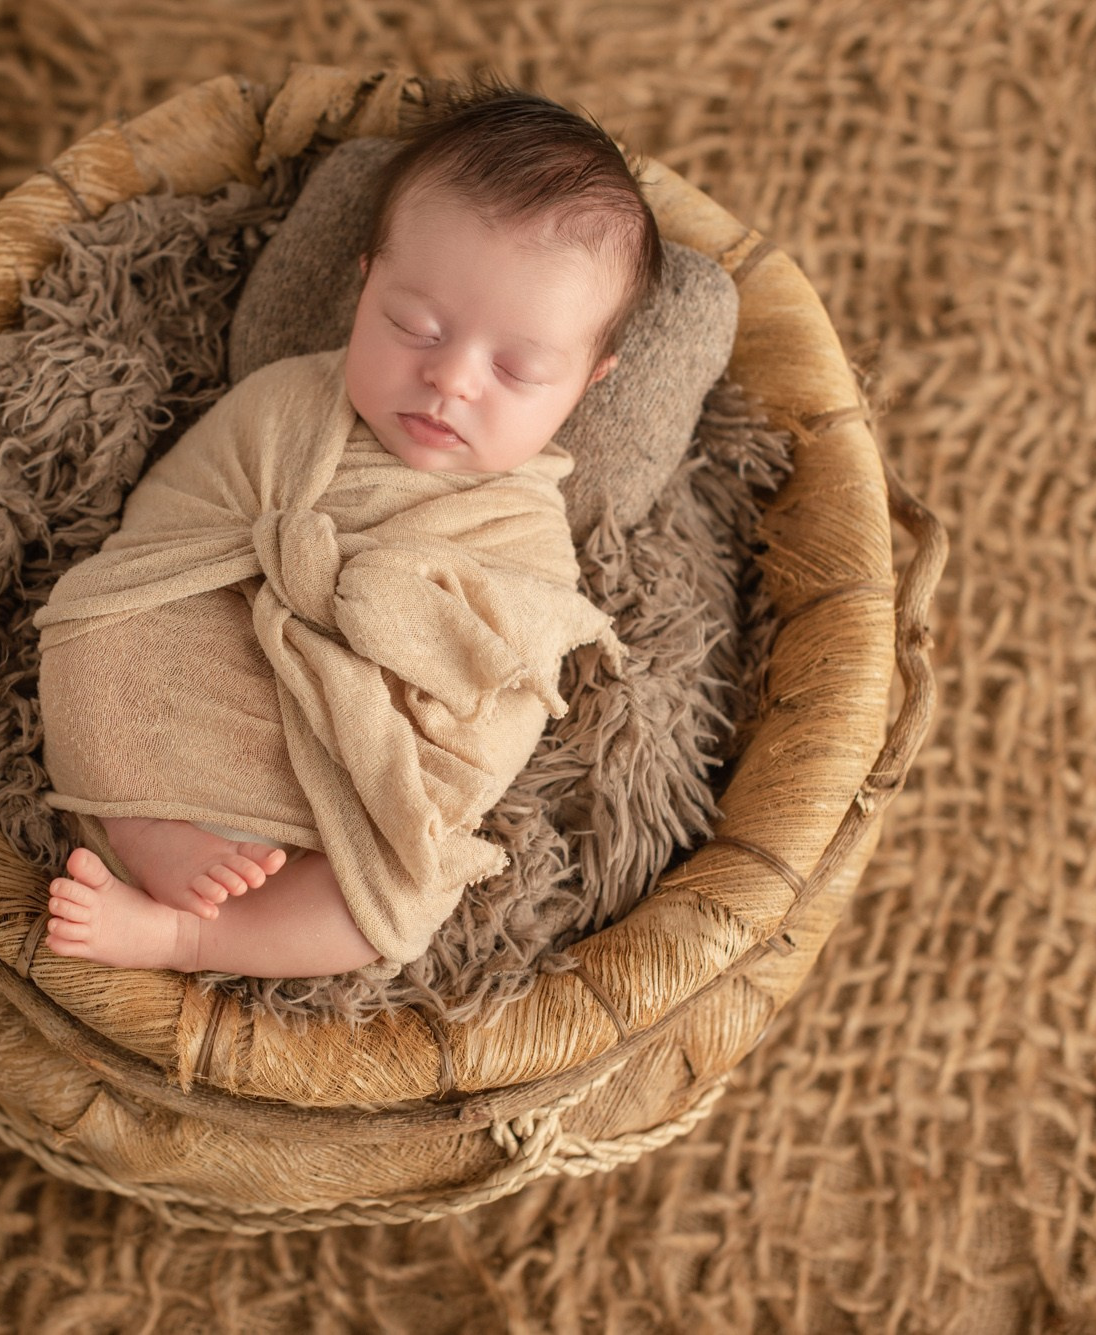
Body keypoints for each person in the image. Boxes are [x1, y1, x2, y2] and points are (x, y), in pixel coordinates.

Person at [33, 76, 664, 978]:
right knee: (91, 634)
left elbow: (506, 687)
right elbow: (169, 525)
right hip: (211, 665)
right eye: (413, 325)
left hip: (350, 765)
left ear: (586, 383)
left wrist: (387, 670)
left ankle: (191, 935)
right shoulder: (288, 400)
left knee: (398, 900)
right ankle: (148, 825)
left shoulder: (530, 538)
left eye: (519, 370)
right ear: (365, 286)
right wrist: (227, 594)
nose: (451, 380)